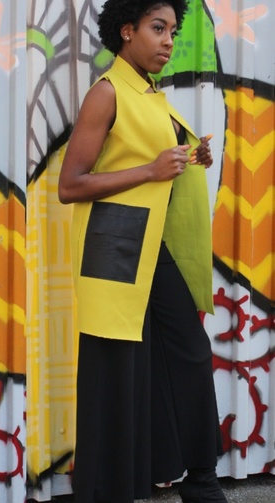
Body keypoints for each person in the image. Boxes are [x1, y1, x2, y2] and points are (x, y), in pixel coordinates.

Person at [58, 1, 226, 502]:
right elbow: (70, 185)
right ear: (127, 30)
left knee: (189, 354)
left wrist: (189, 155)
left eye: (172, 30)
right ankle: (109, 490)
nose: (168, 40)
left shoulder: (151, 94)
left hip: (154, 245)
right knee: (116, 372)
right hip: (116, 249)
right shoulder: (107, 92)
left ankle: (201, 479)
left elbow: (150, 161)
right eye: (158, 28)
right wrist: (151, 170)